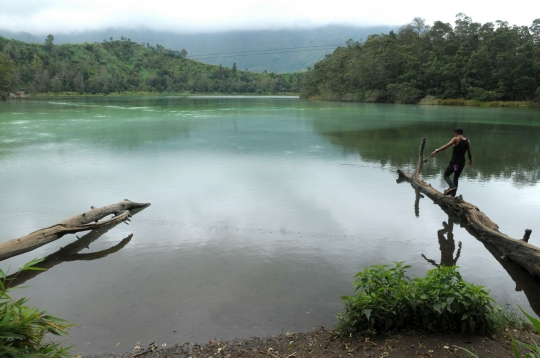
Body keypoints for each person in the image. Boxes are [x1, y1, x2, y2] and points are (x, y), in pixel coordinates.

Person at [430, 127, 472, 196]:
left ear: (456, 133)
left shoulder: (456, 139)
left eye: (455, 133)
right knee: (455, 177)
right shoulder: (467, 141)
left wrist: (436, 151)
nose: (454, 135)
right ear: (462, 133)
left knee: (446, 175)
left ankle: (452, 187)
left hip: (455, 164)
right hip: (461, 164)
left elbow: (446, 145)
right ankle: (452, 196)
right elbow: (469, 153)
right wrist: (470, 161)